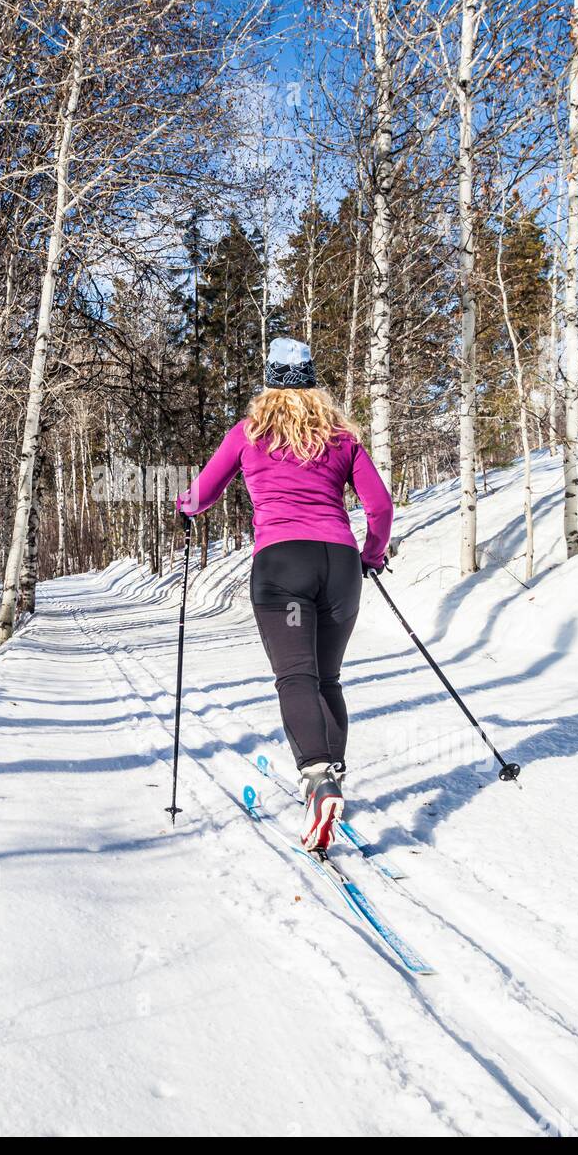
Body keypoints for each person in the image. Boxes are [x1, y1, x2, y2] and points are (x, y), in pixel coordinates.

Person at [176, 337, 393, 853]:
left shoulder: (249, 434)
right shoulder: (342, 439)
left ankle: (318, 779)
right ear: (313, 384)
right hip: (338, 566)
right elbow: (380, 506)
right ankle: (330, 777)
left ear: (268, 382)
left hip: (282, 566)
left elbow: (203, 494)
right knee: (328, 677)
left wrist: (185, 507)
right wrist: (372, 555)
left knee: (296, 676)